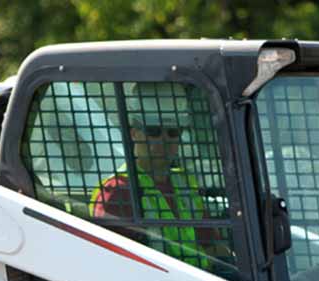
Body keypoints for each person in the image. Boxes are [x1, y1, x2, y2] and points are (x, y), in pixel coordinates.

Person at [91, 82, 224, 269]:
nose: (164, 140)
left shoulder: (185, 184)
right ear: (134, 133)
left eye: (173, 132)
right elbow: (114, 269)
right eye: (153, 131)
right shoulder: (116, 193)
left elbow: (214, 249)